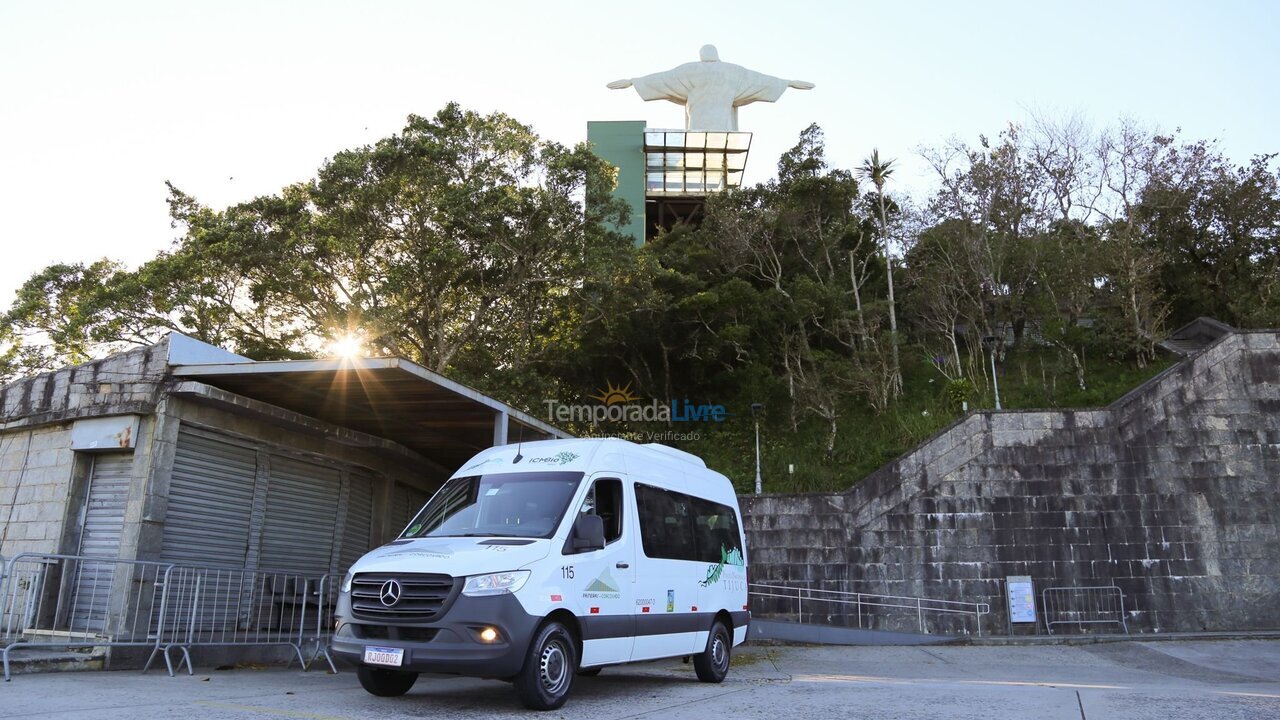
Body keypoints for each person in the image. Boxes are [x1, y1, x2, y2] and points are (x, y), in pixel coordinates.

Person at [608, 44, 814, 131]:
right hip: (724, 126)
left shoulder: (689, 70)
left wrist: (634, 81)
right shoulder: (733, 72)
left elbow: (663, 79)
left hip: (697, 125)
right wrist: (787, 83)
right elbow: (759, 80)